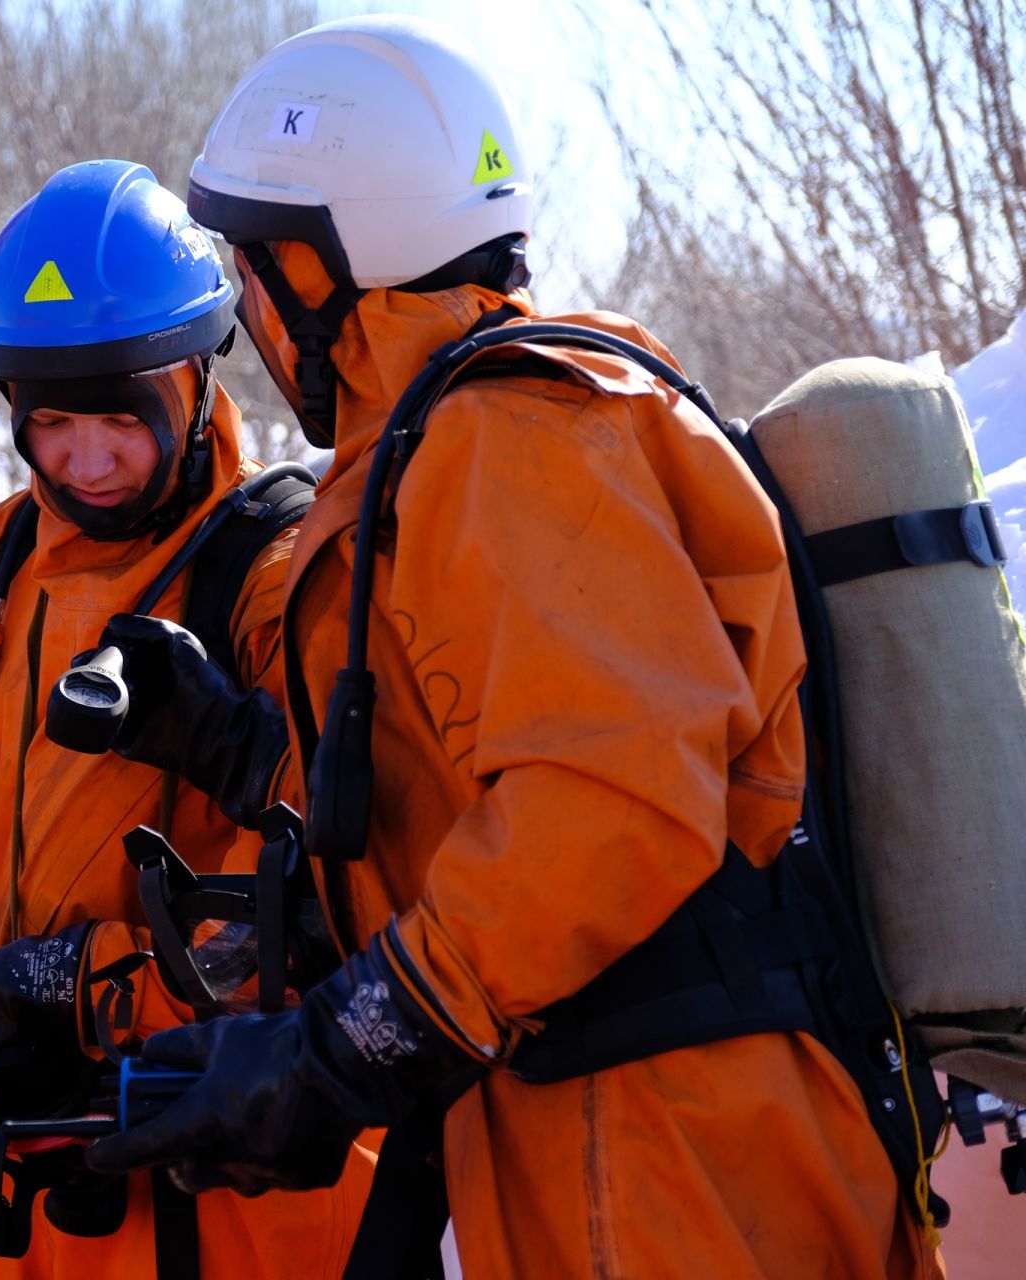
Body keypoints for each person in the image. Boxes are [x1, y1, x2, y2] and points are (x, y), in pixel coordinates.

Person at [77, 16, 943, 1280]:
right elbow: (465, 788)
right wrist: (231, 740)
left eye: (255, 267)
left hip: (672, 1147)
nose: (249, 309)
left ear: (331, 264)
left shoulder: (507, 439)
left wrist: (353, 1042)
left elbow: (610, 800)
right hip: (604, 1119)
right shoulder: (444, 448)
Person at [0, 159, 372, 1277]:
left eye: (121, 420)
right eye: (52, 425)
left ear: (192, 378)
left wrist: (48, 990)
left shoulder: (280, 573)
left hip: (207, 1186)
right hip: (14, 1191)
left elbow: (312, 909)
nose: (87, 460)